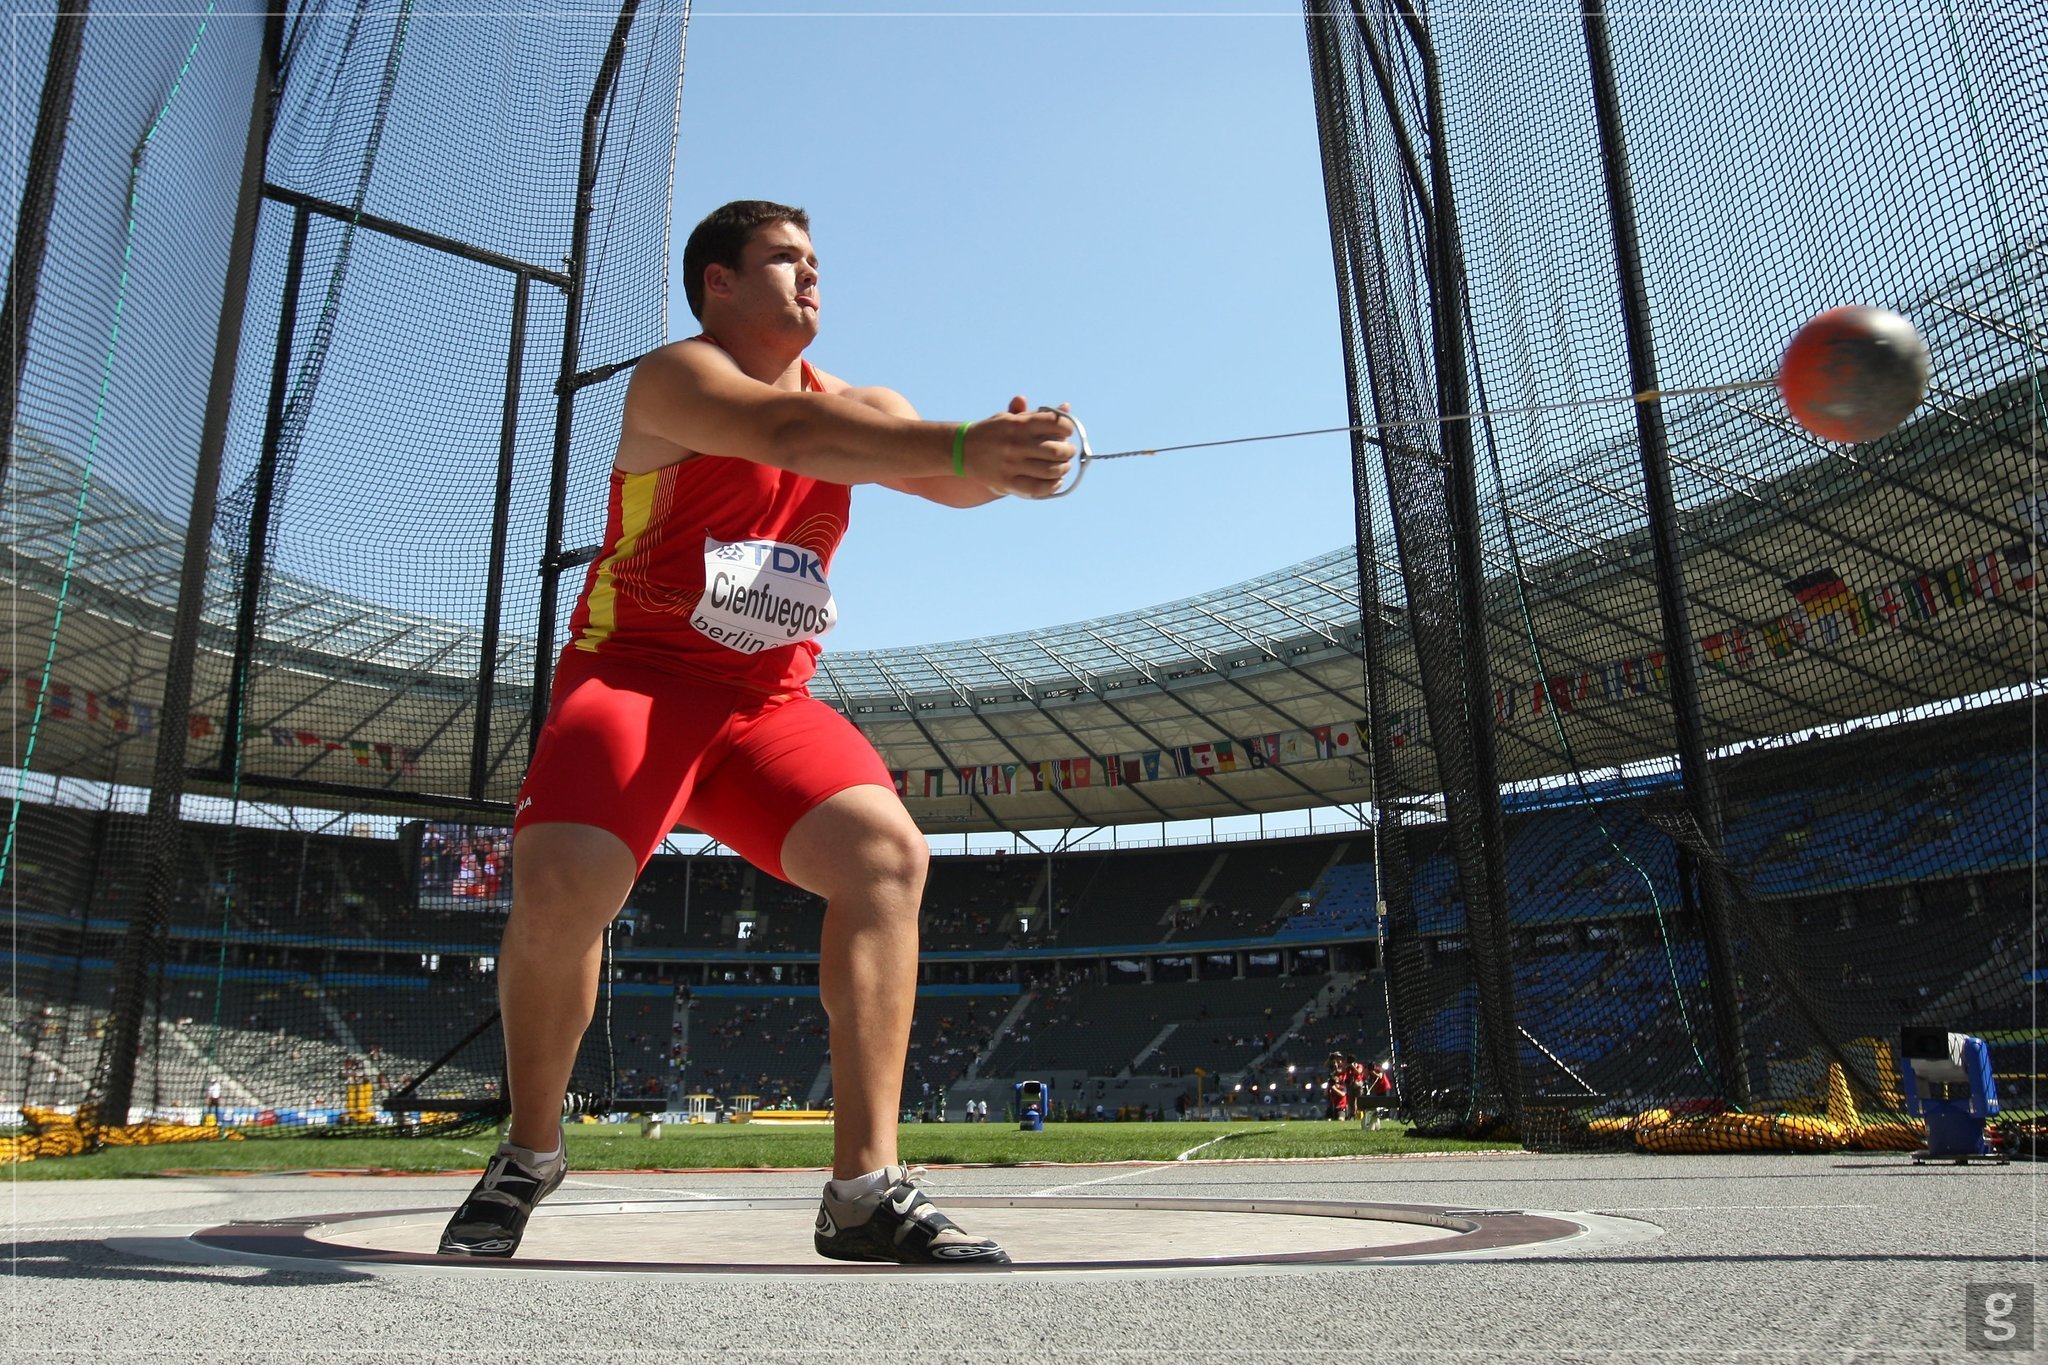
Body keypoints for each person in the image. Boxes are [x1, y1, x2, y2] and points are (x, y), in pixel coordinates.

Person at [439, 200, 1073, 1264]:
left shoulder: (863, 404)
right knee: (563, 884)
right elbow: (789, 437)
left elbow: (938, 478)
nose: (811, 276)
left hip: (762, 709)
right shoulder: (673, 380)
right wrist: (966, 443)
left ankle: (863, 1190)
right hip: (633, 684)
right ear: (716, 284)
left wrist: (1009, 465)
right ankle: (529, 1152)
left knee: (885, 856)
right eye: (784, 259)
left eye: (817, 259)